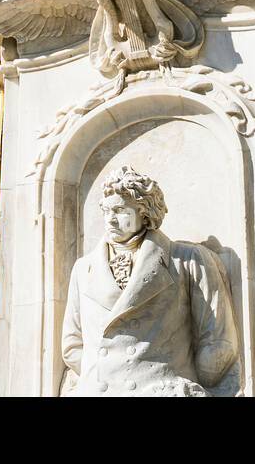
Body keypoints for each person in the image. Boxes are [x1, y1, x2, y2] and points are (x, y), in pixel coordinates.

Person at [61, 166, 240, 396]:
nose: (111, 219)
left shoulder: (187, 260)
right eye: (106, 210)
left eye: (120, 210)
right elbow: (72, 343)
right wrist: (99, 375)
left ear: (144, 212)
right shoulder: (82, 270)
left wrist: (190, 382)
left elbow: (217, 339)